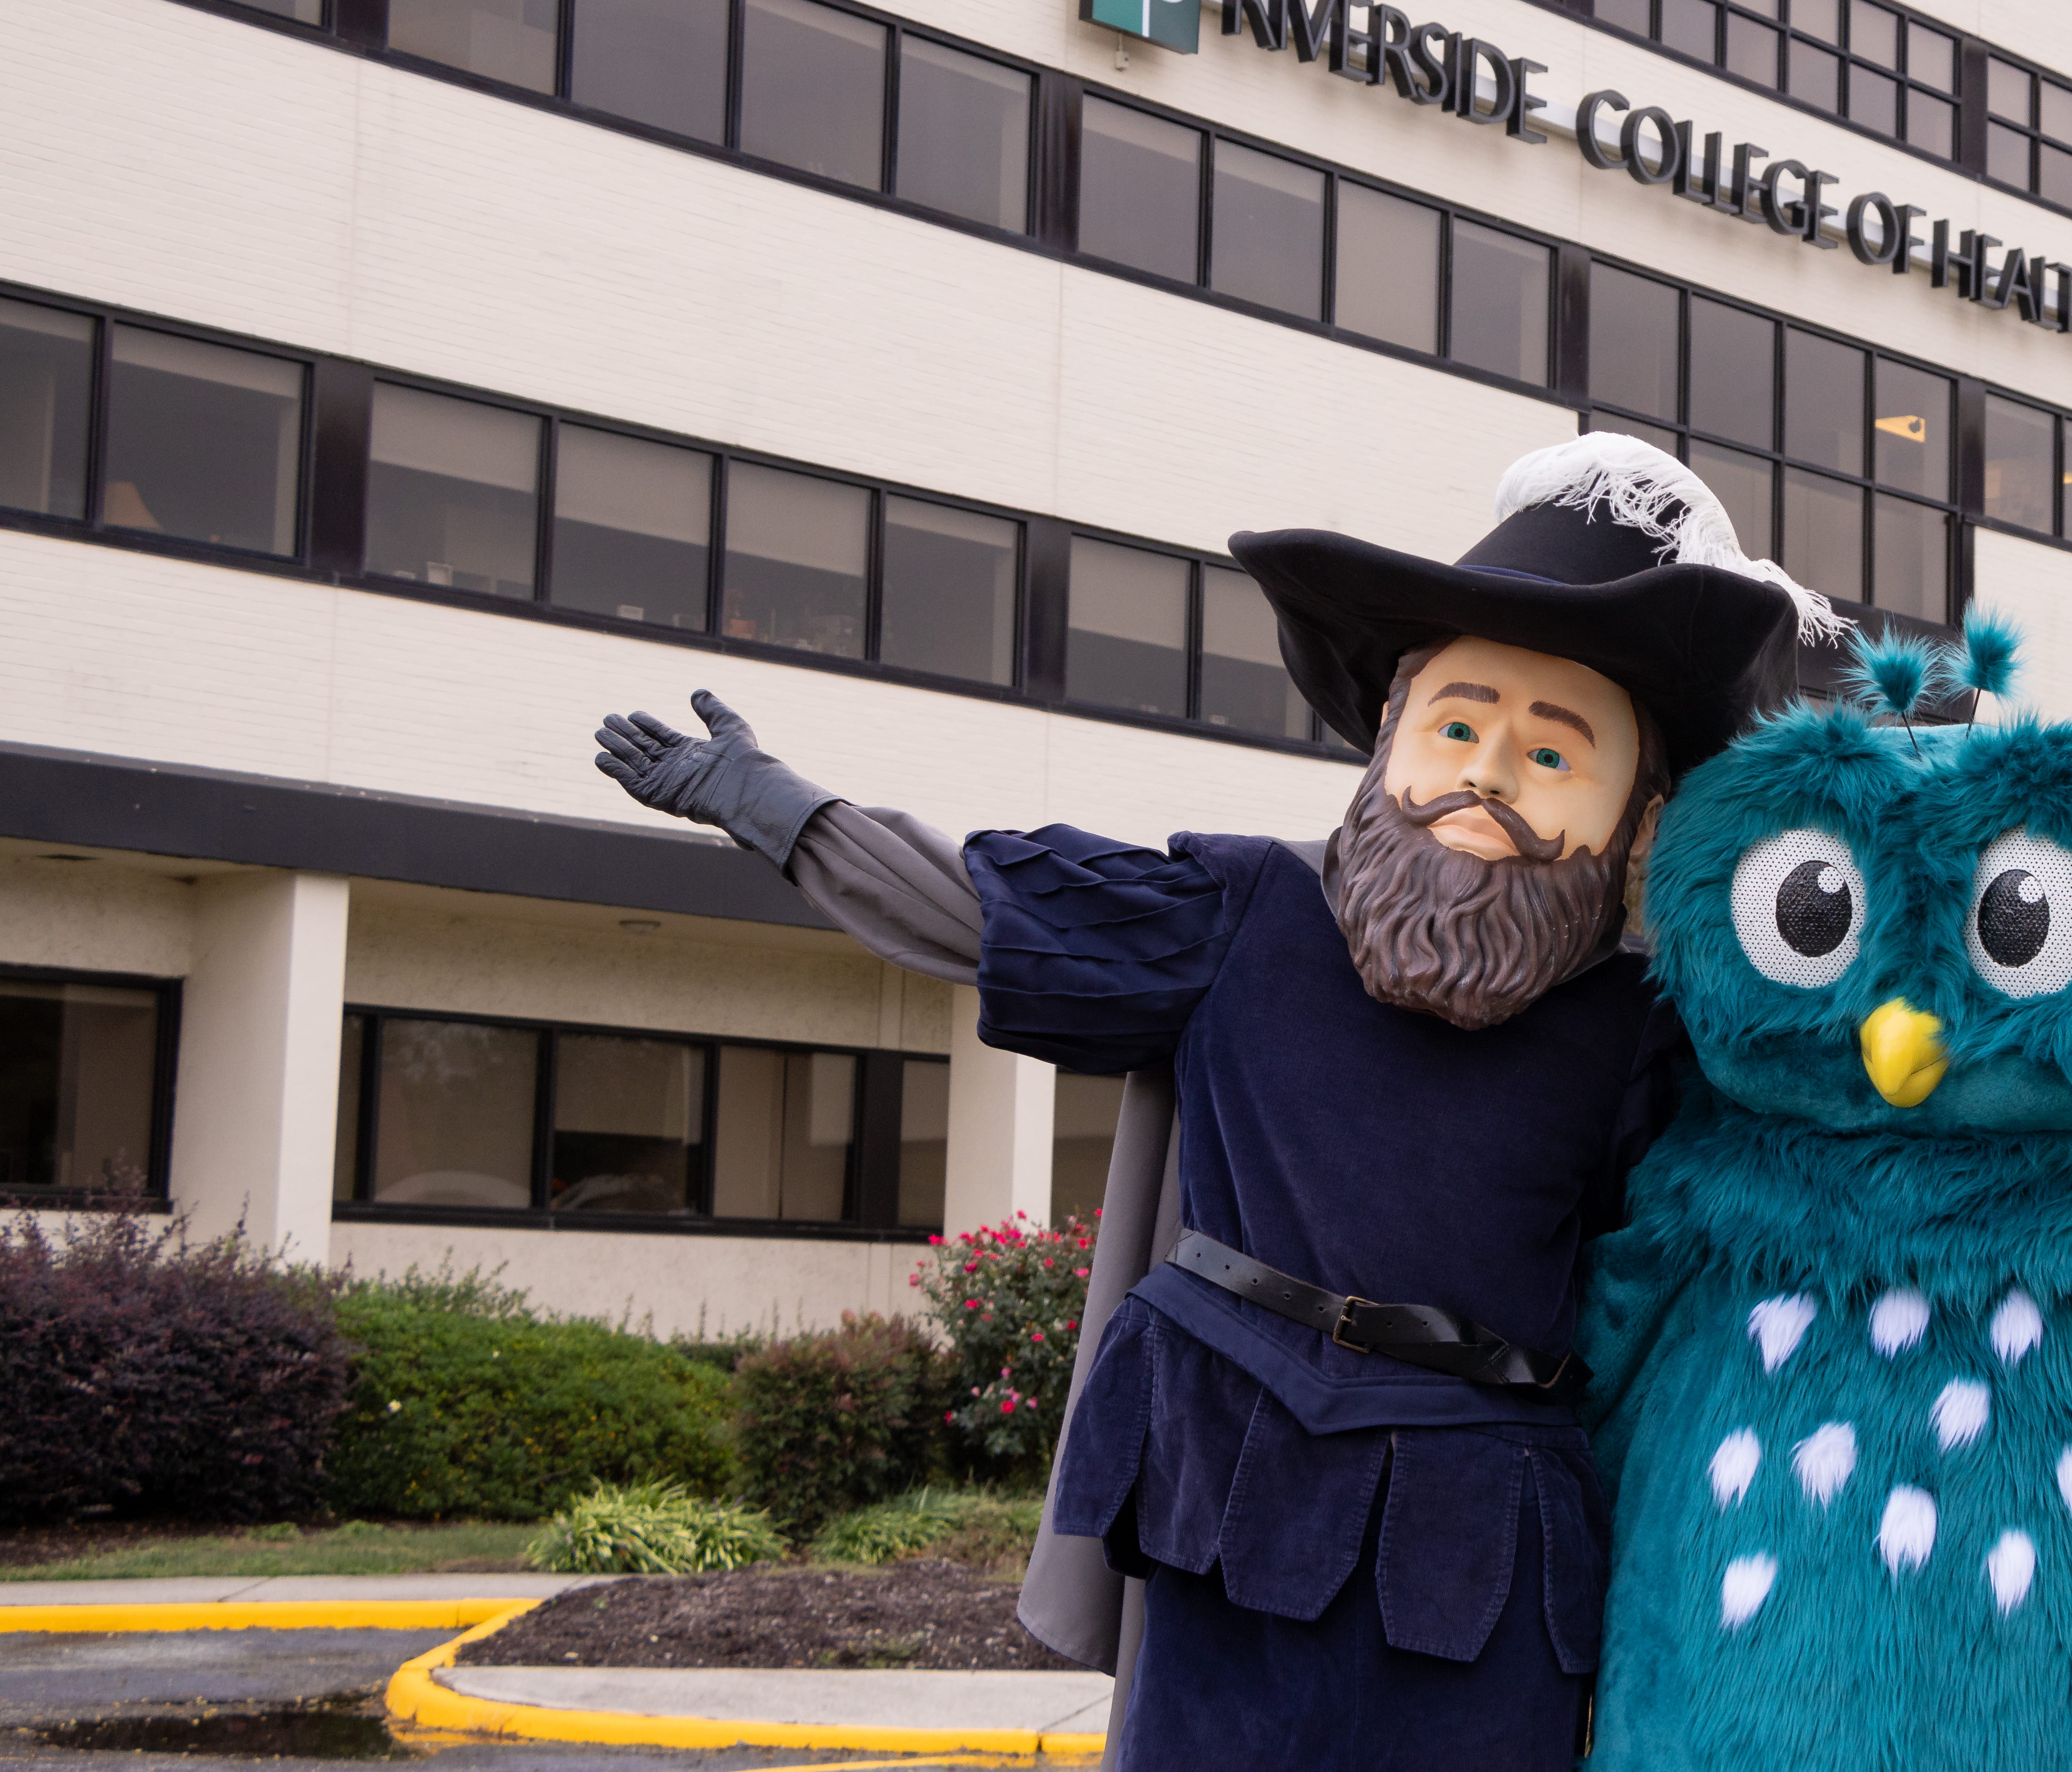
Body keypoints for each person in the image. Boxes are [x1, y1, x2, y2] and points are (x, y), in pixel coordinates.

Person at [587, 436, 1826, 1770]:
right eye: (1458, 727)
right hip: (1229, 1470)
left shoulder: (1645, 1031)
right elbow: (972, 908)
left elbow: (1700, 1266)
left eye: (1551, 754)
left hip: (1488, 1534)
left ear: (1637, 816)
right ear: (1388, 749)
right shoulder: (1242, 913)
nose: (1489, 777)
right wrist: (773, 805)